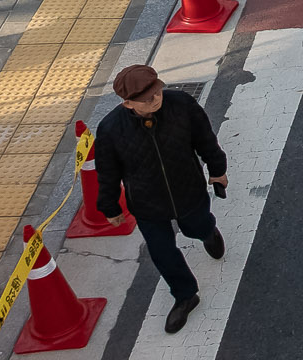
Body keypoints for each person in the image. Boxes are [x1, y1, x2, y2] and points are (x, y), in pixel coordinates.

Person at [95, 65, 227, 334]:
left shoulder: (182, 104)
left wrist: (218, 170)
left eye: (157, 92)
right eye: (147, 99)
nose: (156, 99)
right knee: (162, 252)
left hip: (189, 189)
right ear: (127, 103)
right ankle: (185, 295)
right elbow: (107, 173)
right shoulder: (110, 129)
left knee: (196, 227)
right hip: (146, 203)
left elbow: (205, 140)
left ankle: (207, 232)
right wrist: (109, 207)